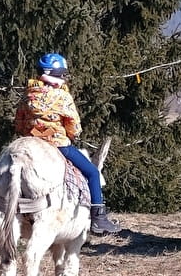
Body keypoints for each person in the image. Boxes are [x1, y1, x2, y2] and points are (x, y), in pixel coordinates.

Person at [14, 52, 122, 235]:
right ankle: (98, 217)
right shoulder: (63, 97)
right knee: (92, 173)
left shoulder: (28, 95)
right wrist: (72, 135)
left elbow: (18, 120)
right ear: (57, 74)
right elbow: (73, 124)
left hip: (30, 141)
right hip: (58, 144)